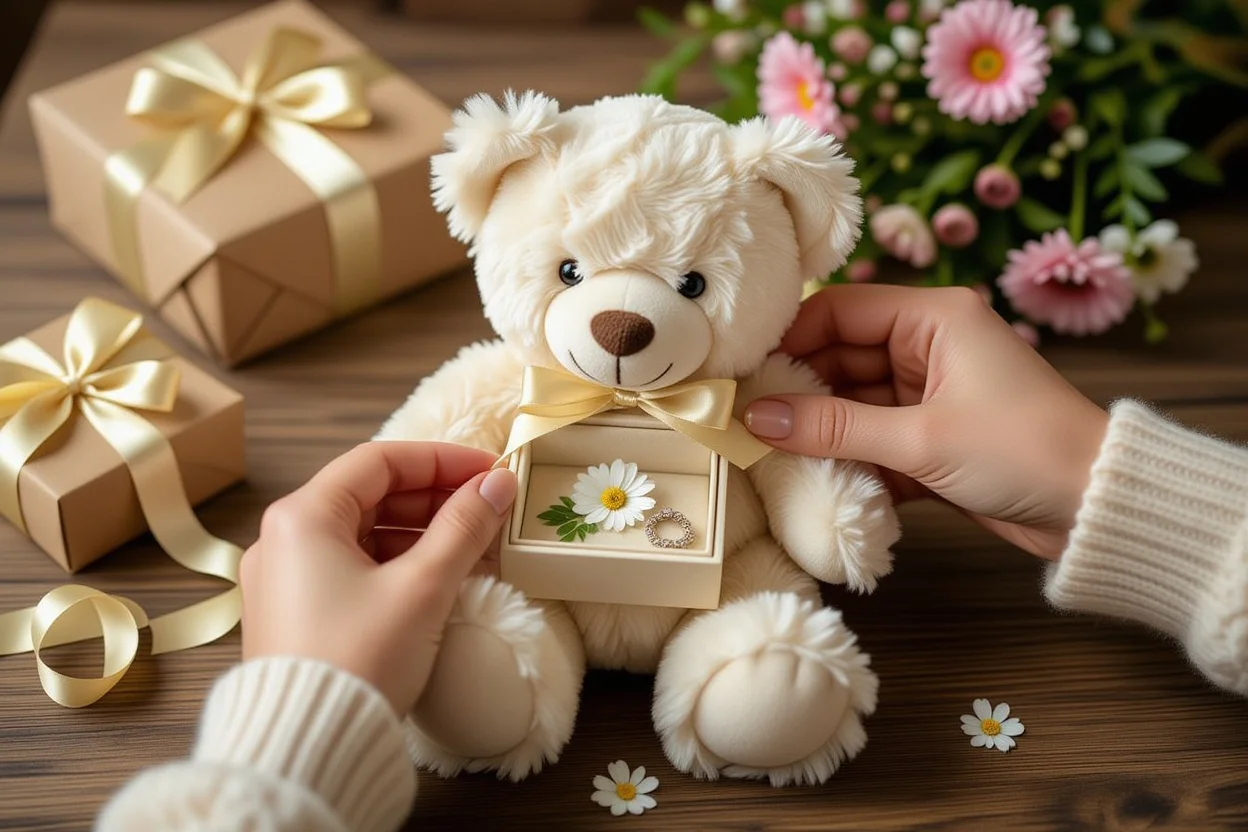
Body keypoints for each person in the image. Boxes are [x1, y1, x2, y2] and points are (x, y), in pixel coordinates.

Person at [97, 285, 1248, 832]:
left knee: (766, 618)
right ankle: (491, 676)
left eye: (695, 285)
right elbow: (420, 443)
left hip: (722, 567)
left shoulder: (763, 398)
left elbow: (815, 480)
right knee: (485, 636)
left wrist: (828, 512)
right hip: (526, 571)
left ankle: (745, 677)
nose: (622, 316)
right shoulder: (510, 382)